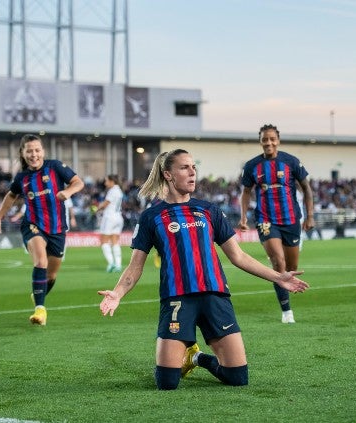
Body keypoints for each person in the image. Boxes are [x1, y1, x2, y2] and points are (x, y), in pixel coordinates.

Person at [97, 149, 309, 390]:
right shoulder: (151, 217)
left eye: (193, 167)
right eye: (185, 167)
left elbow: (238, 256)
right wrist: (117, 293)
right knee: (167, 382)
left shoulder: (209, 211)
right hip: (177, 300)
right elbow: (135, 267)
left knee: (238, 378)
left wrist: (278, 277)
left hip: (215, 296)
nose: (192, 172)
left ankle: (196, 357)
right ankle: (182, 356)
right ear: (168, 174)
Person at [0, 134, 84, 325]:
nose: (34, 154)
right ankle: (40, 310)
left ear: (43, 151)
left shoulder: (55, 167)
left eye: (37, 150)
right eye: (29, 151)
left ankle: (38, 294)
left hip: (57, 228)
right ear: (23, 154)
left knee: (52, 274)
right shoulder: (22, 177)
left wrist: (68, 191)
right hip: (32, 225)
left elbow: (78, 182)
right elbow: (10, 196)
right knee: (40, 261)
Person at [239, 124, 315, 323]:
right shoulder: (252, 166)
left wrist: (310, 216)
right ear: (261, 141)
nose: (269, 142)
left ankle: (286, 294)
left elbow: (307, 188)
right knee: (278, 262)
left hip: (291, 220)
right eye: (265, 139)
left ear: (278, 140)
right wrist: (244, 217)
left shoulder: (291, 162)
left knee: (292, 266)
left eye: (272, 139)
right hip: (265, 219)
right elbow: (246, 192)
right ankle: (286, 311)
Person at [96, 174, 124, 272]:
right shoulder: (119, 190)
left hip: (109, 217)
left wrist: (97, 208)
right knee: (115, 241)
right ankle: (118, 264)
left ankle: (111, 263)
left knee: (104, 241)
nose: (105, 183)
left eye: (106, 181)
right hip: (118, 217)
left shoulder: (112, 191)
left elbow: (106, 203)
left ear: (112, 181)